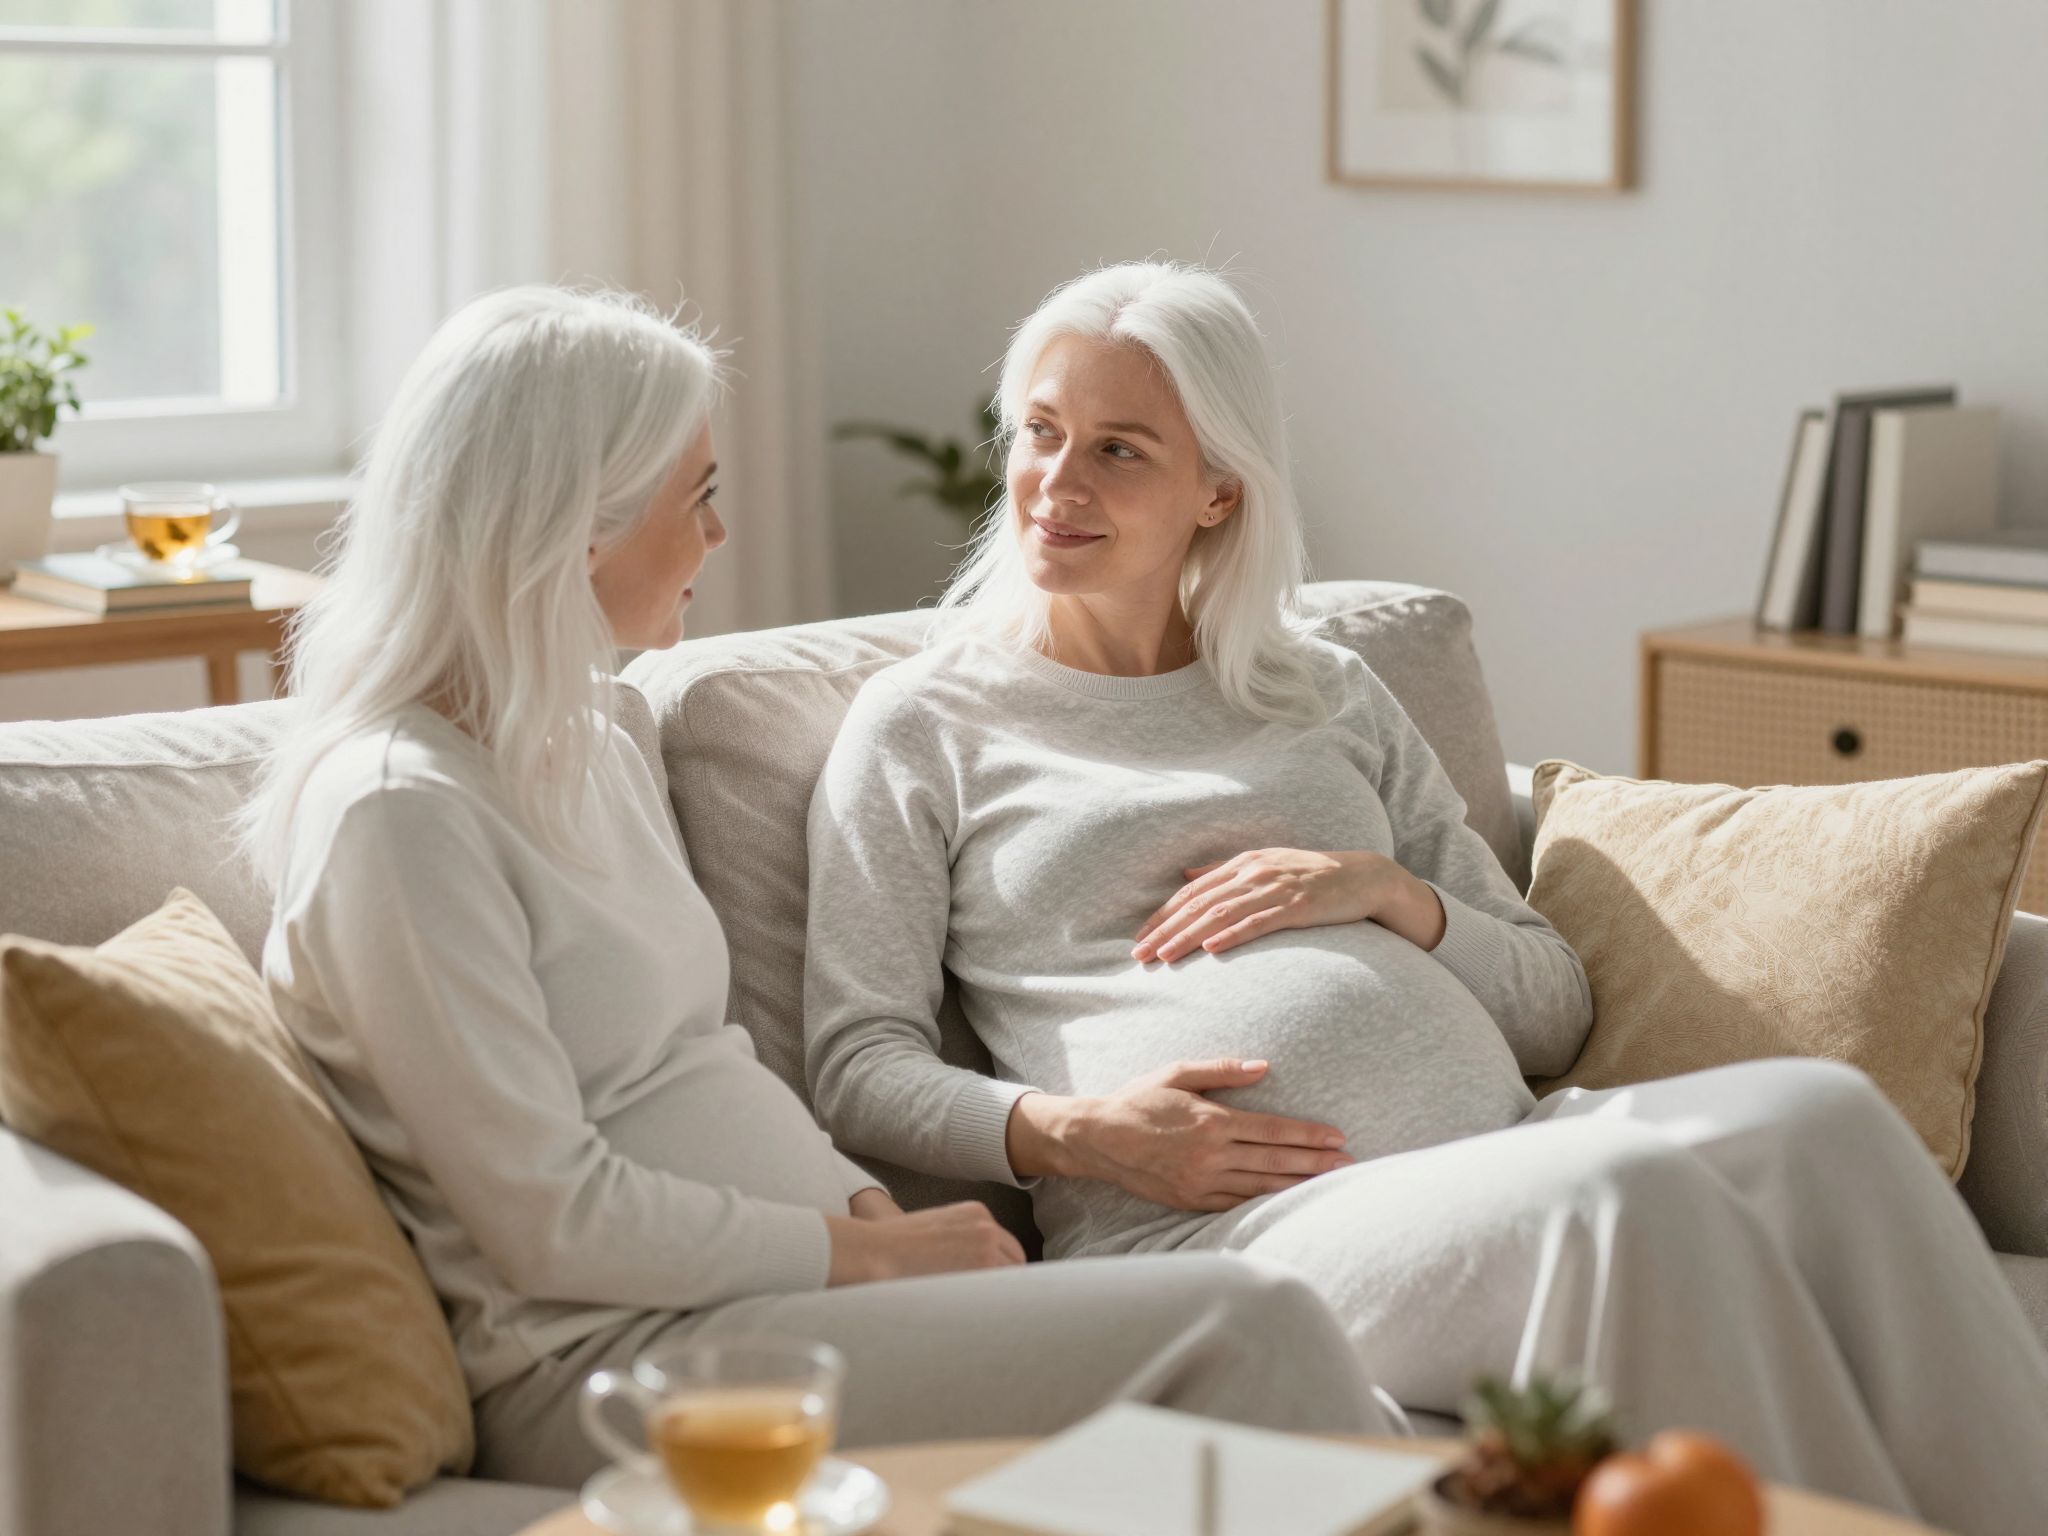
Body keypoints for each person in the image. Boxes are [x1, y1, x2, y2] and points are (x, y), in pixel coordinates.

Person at [802, 260, 2048, 1534]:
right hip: (1230, 1238)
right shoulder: (924, 724)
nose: (1056, 485)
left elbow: (1552, 1008)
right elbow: (855, 1059)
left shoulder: (1322, 690)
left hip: (1507, 1154)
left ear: (1217, 489)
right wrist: (1072, 1131)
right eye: (1041, 434)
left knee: (1823, 1117)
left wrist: (1391, 893)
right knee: (1633, 1197)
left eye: (1118, 451)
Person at [243, 284, 1393, 1490]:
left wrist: (874, 1224)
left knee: (1211, 1404)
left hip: (769, 1297)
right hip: (605, 1359)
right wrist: (859, 1258)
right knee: (1243, 1324)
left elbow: (698, 1067)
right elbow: (545, 1220)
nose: (719, 538)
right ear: (575, 525)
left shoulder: (586, 732)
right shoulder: (395, 813)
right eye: (698, 499)